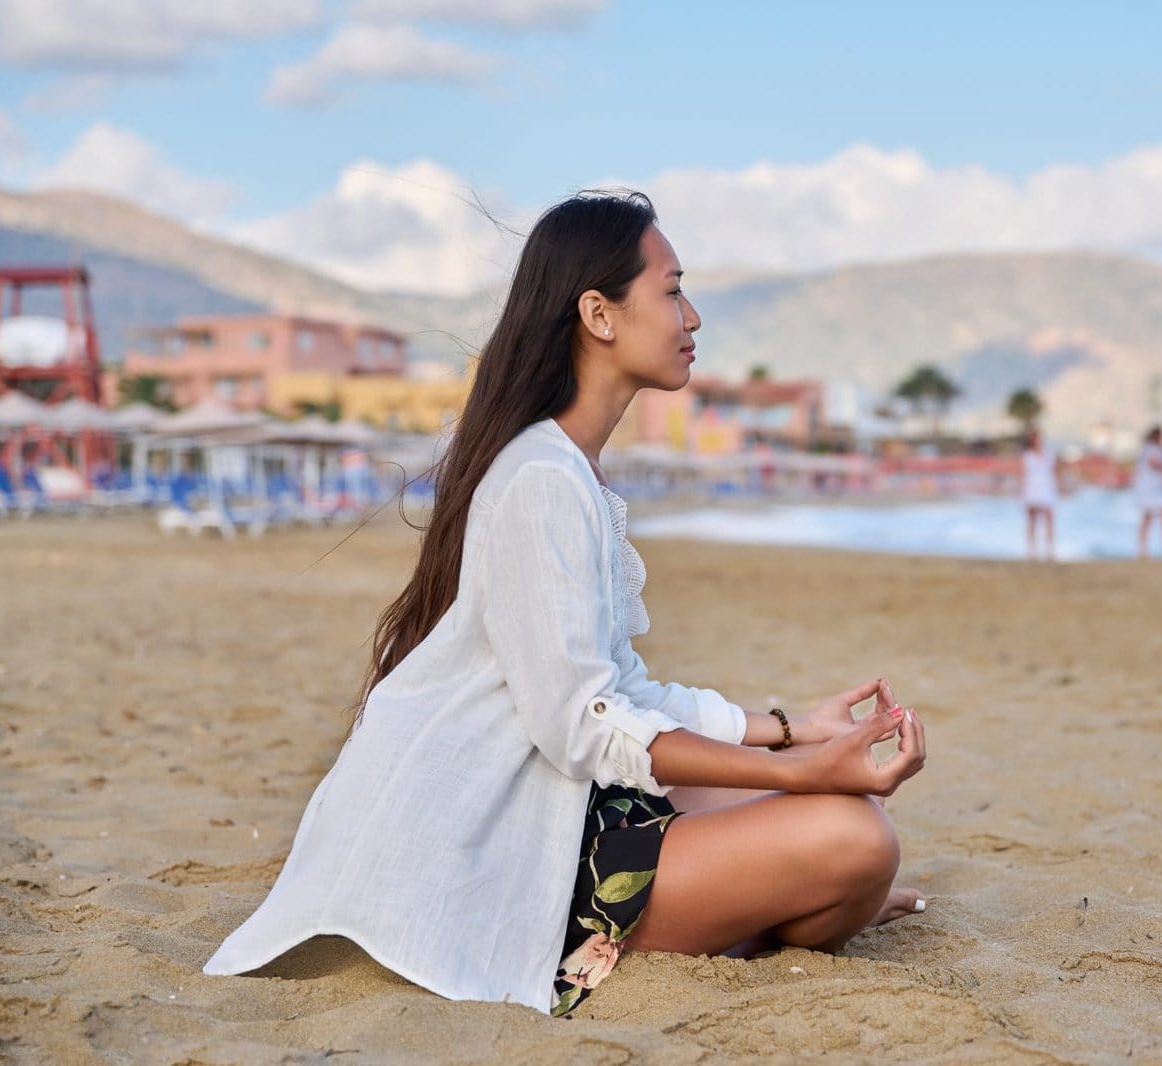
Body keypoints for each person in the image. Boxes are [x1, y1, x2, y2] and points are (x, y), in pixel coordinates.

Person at [202, 190, 928, 1017]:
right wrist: (789, 774)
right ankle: (743, 916)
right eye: (672, 289)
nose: (692, 316)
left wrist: (795, 732)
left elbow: (620, 691)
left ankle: (768, 904)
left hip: (564, 801)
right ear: (599, 314)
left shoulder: (566, 470)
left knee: (846, 814)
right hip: (502, 847)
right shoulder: (542, 479)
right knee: (855, 838)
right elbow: (582, 724)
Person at [1133, 424, 1162, 558]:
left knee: (1149, 518)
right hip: (1148, 489)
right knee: (1159, 516)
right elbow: (1157, 465)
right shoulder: (1149, 449)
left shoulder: (1157, 449)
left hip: (1155, 489)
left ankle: (1145, 549)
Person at [1019, 425, 1060, 560]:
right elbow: (1024, 474)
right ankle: (1032, 552)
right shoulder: (1027, 456)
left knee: (1049, 520)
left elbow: (1055, 471)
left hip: (1047, 489)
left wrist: (1059, 487)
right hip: (1032, 489)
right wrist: (1022, 493)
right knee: (1032, 521)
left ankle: (1050, 551)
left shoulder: (1049, 453)